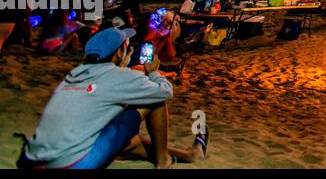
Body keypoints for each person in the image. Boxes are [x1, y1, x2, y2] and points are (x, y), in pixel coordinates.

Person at [20, 27, 207, 169]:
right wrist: (154, 73)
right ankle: (163, 161)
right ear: (119, 53)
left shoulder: (74, 75)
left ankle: (188, 156)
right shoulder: (117, 76)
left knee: (125, 139)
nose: (130, 50)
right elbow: (165, 91)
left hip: (33, 159)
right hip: (71, 164)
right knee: (153, 100)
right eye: (127, 46)